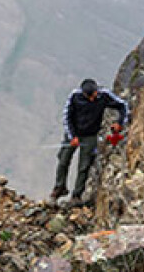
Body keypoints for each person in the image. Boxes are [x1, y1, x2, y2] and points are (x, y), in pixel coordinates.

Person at [50, 78, 129, 206]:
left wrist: (119, 123)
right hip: (74, 133)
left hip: (90, 136)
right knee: (63, 160)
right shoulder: (75, 97)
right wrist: (72, 136)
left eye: (95, 95)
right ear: (84, 94)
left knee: (84, 166)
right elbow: (67, 117)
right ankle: (59, 188)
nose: (93, 98)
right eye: (90, 96)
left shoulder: (103, 96)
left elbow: (123, 105)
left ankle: (76, 195)